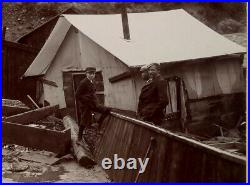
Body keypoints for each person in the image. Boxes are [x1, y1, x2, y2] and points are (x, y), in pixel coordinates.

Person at [75, 67, 110, 144]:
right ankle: (79, 139)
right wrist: (86, 100)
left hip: (94, 104)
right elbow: (77, 95)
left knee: (107, 110)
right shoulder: (83, 82)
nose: (92, 75)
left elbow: (93, 94)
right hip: (86, 105)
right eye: (90, 73)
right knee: (83, 121)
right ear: (86, 74)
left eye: (93, 73)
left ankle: (98, 124)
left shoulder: (91, 82)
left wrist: (96, 102)